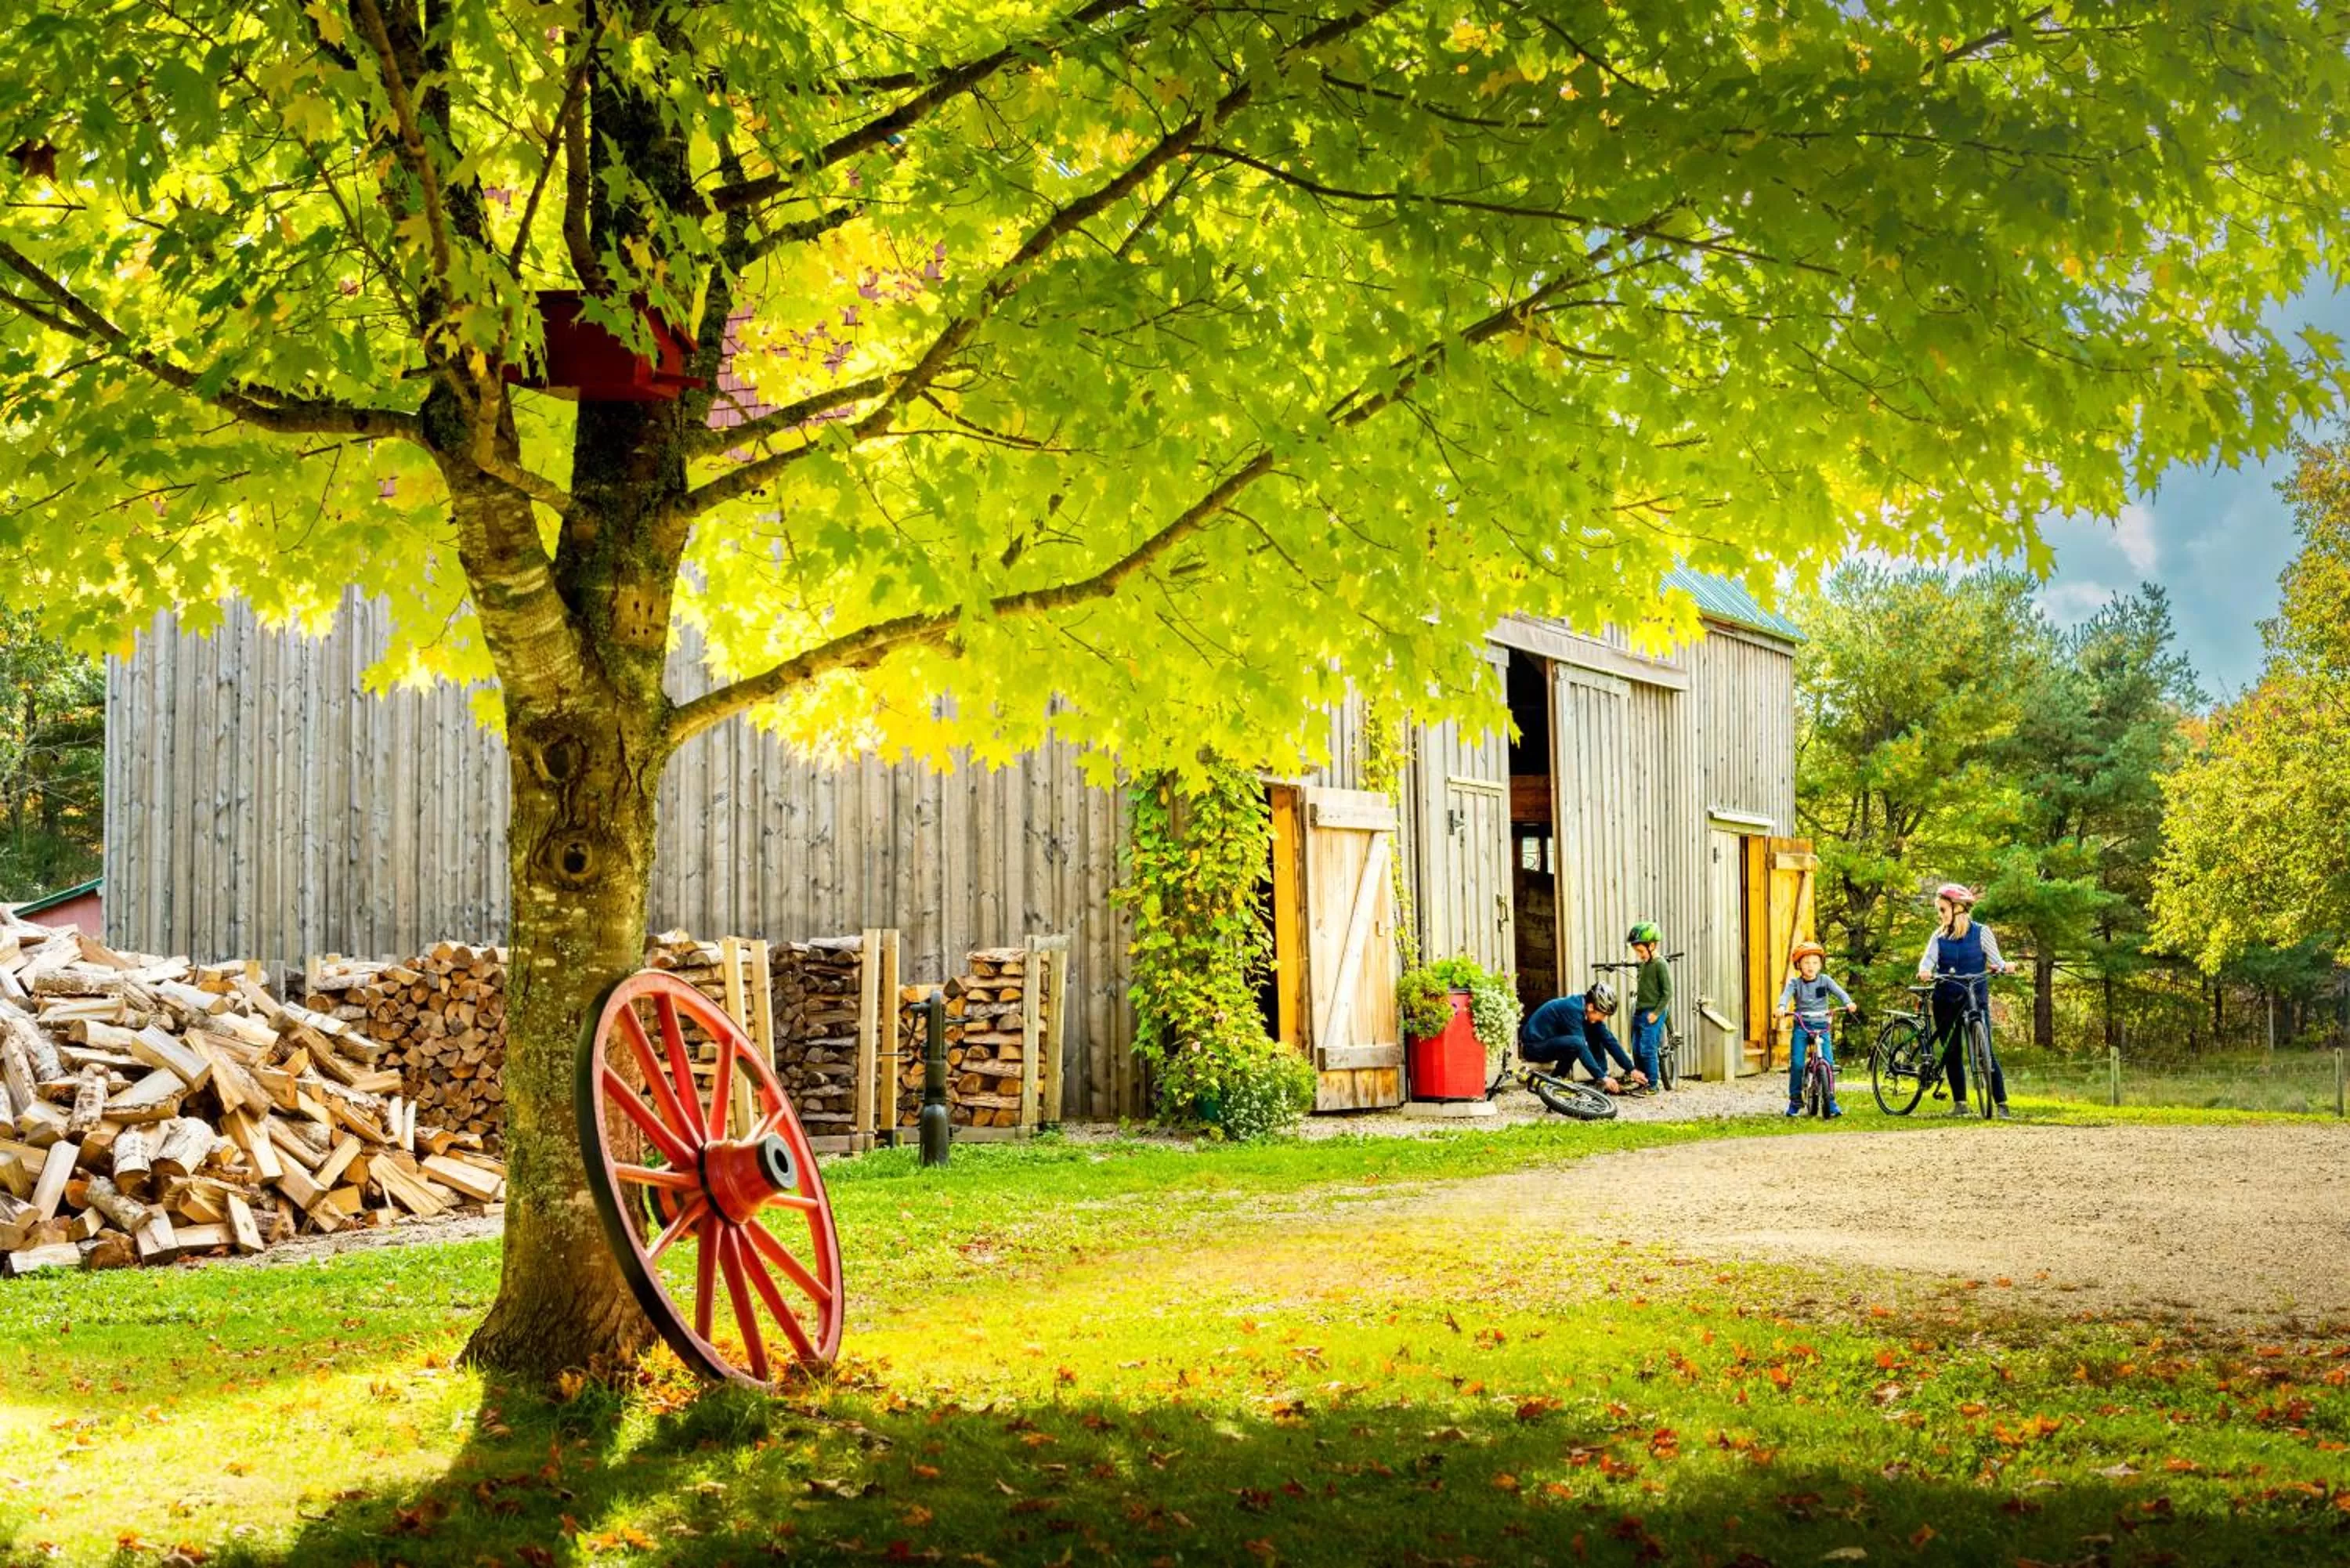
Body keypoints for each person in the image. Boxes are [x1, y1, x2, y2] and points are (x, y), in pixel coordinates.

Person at [1916, 882, 2015, 1118]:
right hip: (1946, 999)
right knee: (1952, 1051)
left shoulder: (1982, 932)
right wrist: (1925, 971)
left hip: (1974, 998)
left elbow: (1997, 961)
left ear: (1957, 908)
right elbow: (1926, 962)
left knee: (1986, 1051)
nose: (1940, 915)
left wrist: (2004, 967)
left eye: (1943, 910)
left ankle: (2001, 1103)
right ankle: (1960, 1103)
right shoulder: (1938, 936)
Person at [1775, 939, 1856, 1116]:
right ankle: (1795, 1101)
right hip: (1802, 1025)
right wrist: (1781, 1007)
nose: (1811, 966)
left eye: (1814, 962)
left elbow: (1840, 992)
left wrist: (1848, 1002)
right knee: (1797, 1063)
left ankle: (1831, 1101)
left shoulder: (1825, 980)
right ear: (1799, 965)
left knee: (1828, 1061)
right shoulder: (1795, 984)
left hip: (1822, 1025)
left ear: (1820, 964)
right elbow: (1786, 996)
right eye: (1806, 963)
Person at [1517, 981, 1625, 1093]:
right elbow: (1581, 1046)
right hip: (1533, 1048)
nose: (1603, 1019)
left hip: (1548, 1044)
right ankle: (1557, 1079)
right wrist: (1602, 1077)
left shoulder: (1584, 1009)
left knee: (1591, 1035)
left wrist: (1631, 1069)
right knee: (1577, 1043)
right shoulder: (1572, 1009)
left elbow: (1610, 1040)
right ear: (1591, 1006)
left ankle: (1555, 1080)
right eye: (1603, 1015)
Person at [1626, 921, 1671, 1095]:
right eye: (1636, 952)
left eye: (1641, 951)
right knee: (1636, 1049)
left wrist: (1656, 1013)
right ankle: (1642, 1082)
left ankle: (1652, 1085)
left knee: (1647, 1048)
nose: (1639, 955)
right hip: (1640, 1012)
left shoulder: (1660, 964)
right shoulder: (1644, 965)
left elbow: (1667, 993)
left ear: (1652, 946)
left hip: (1653, 1012)